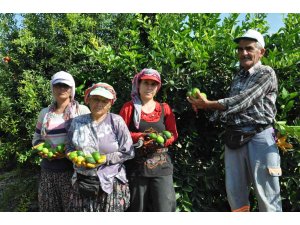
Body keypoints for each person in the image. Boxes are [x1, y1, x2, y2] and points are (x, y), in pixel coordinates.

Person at [187, 29, 282, 212]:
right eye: (240, 49)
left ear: (261, 52)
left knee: (267, 196)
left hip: (259, 137)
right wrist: (202, 106)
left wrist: (210, 104)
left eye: (249, 48)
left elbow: (243, 101)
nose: (243, 53)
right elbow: (232, 110)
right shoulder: (238, 76)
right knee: (236, 196)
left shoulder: (266, 73)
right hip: (234, 137)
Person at [65, 82, 134, 212]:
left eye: (104, 101)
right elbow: (69, 147)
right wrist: (72, 156)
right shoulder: (77, 122)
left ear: (110, 103)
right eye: (96, 99)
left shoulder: (116, 121)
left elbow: (128, 151)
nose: (99, 103)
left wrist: (104, 159)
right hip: (82, 180)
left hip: (111, 182)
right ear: (89, 100)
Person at [119, 68, 178, 212]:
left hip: (162, 166)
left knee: (164, 207)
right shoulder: (129, 108)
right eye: (146, 83)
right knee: (137, 208)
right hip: (137, 167)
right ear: (138, 85)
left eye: (153, 84)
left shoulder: (165, 109)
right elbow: (120, 134)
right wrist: (139, 137)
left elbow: (173, 134)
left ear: (158, 88)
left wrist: (163, 140)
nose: (149, 87)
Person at [32, 71, 90, 212]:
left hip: (73, 171)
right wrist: (43, 152)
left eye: (65, 85)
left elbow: (91, 140)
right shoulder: (45, 113)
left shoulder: (81, 111)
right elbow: (36, 139)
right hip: (48, 170)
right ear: (52, 88)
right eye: (57, 85)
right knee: (50, 208)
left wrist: (69, 153)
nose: (61, 89)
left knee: (73, 210)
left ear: (72, 89)